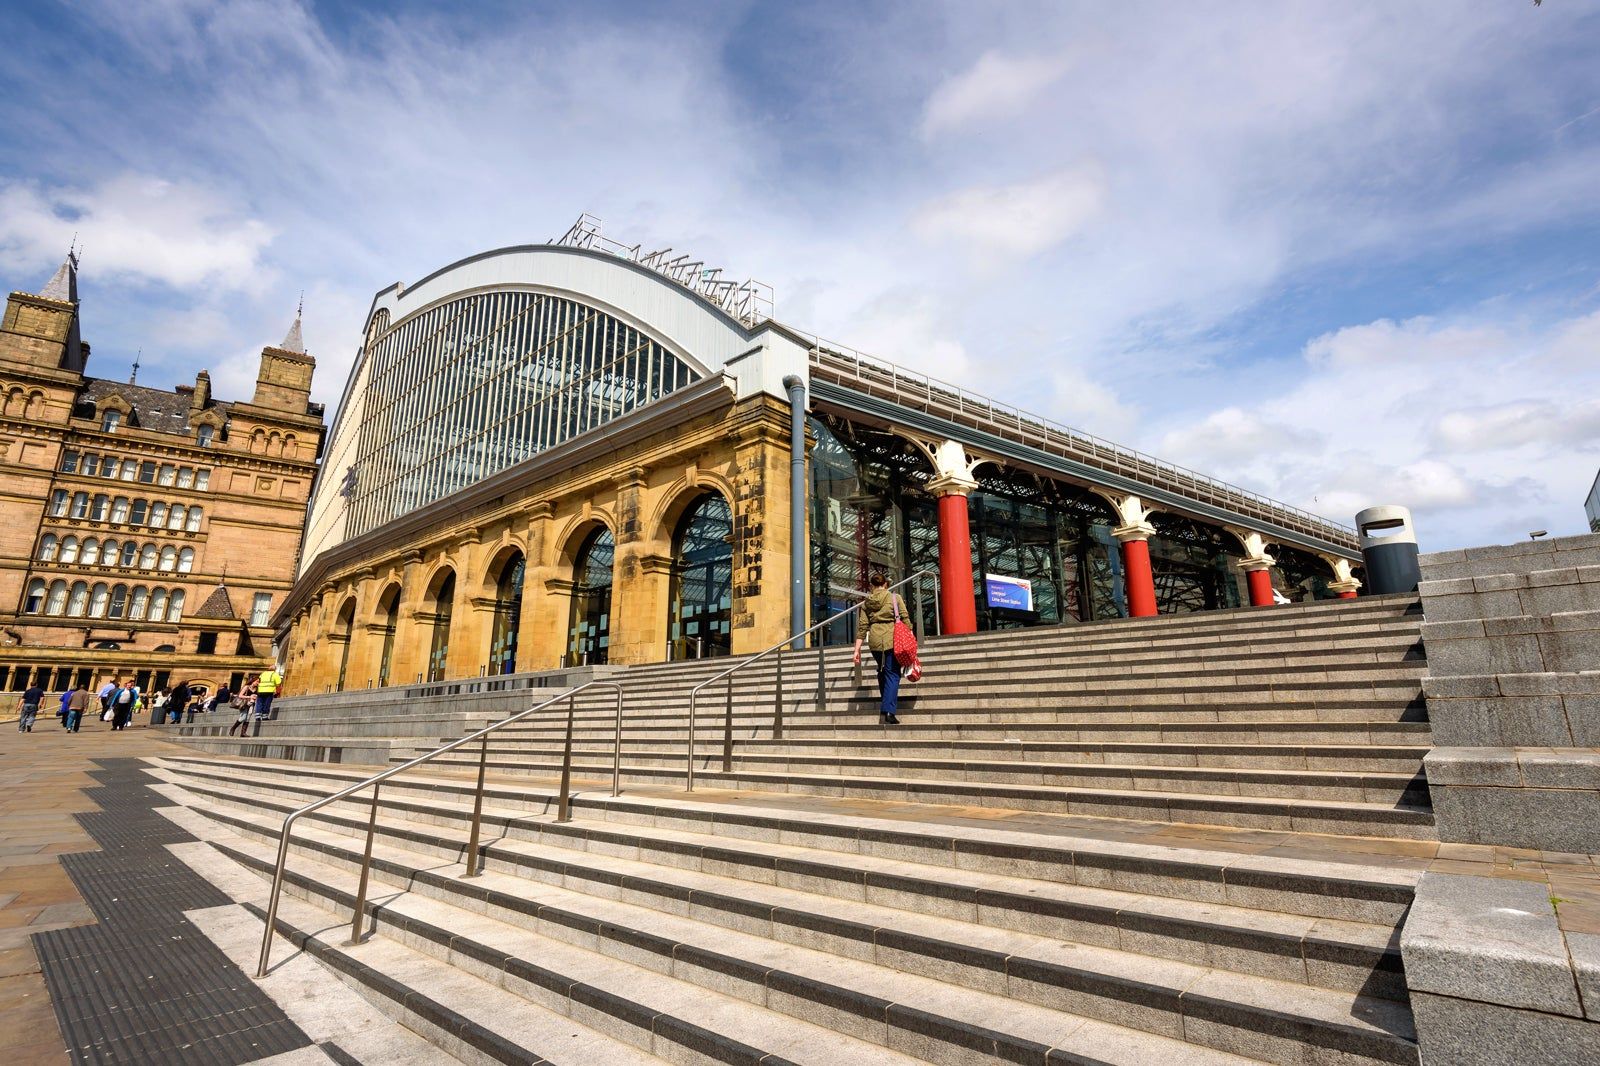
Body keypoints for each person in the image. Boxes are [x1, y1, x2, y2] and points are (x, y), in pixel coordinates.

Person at [851, 572, 907, 725]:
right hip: (892, 639)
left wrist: (856, 650)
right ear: (885, 584)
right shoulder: (894, 597)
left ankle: (885, 703)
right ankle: (888, 711)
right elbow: (905, 617)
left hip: (875, 641)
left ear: (872, 585)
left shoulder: (866, 603)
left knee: (882, 671)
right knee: (893, 673)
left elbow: (862, 627)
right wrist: (909, 635)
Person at [253, 666, 283, 735]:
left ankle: (257, 716)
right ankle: (265, 716)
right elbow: (278, 683)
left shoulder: (263, 674)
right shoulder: (274, 674)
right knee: (267, 703)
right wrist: (277, 691)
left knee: (259, 703)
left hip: (260, 691)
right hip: (269, 691)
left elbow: (258, 681)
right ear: (274, 669)